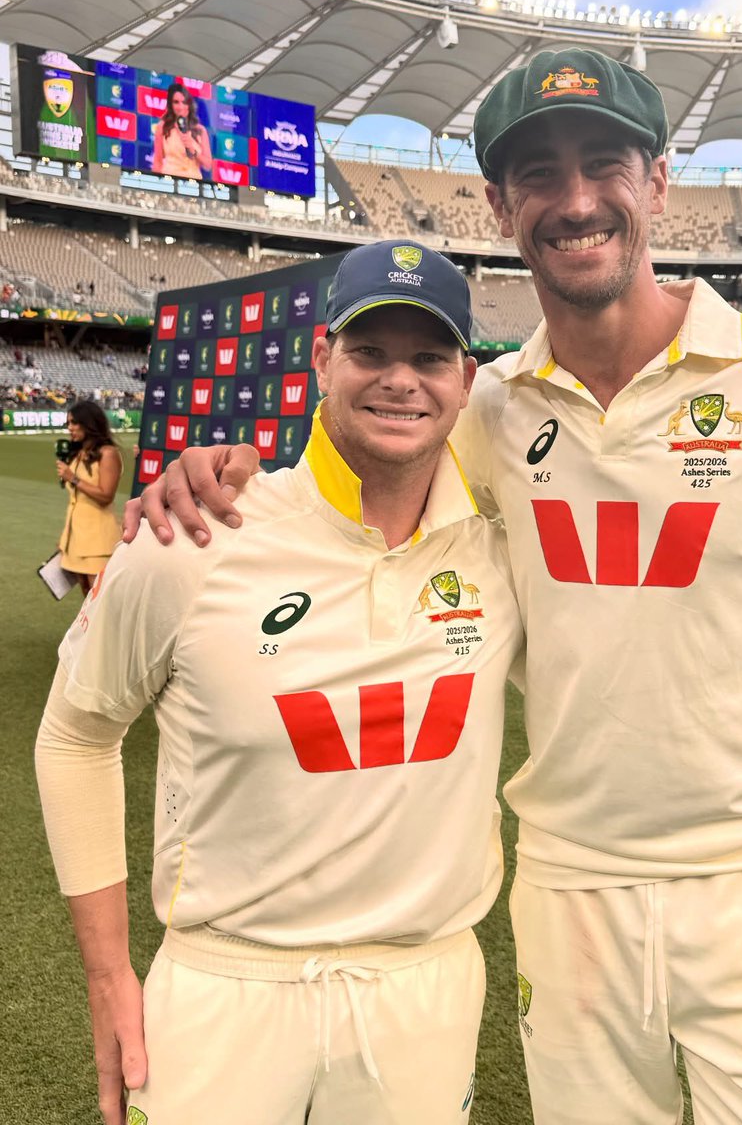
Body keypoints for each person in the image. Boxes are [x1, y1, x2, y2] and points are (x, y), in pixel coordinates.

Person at [127, 48, 742, 1124]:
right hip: (569, 892)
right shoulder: (482, 412)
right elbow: (346, 490)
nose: (574, 200)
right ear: (497, 205)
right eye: (537, 173)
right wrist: (221, 466)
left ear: (656, 182)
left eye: (603, 162)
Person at [36, 243, 525, 1125]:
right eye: (370, 352)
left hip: (424, 986)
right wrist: (108, 979)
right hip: (226, 983)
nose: (399, 381)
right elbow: (75, 735)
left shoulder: (503, 548)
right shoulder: (194, 537)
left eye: (428, 357)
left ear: (465, 382)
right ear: (321, 360)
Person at [55, 400, 122, 595]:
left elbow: (106, 495)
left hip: (98, 539)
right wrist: (65, 538)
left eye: (74, 423)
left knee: (98, 599)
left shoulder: (108, 454)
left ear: (89, 423)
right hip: (76, 538)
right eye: (68, 423)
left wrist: (73, 478)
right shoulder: (79, 453)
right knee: (86, 596)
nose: (70, 428)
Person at [151, 82, 212, 180]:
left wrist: (193, 149)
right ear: (171, 105)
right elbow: (157, 162)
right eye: (176, 102)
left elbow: (208, 164)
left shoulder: (200, 130)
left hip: (193, 181)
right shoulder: (163, 126)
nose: (180, 107)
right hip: (169, 179)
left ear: (189, 104)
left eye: (184, 102)